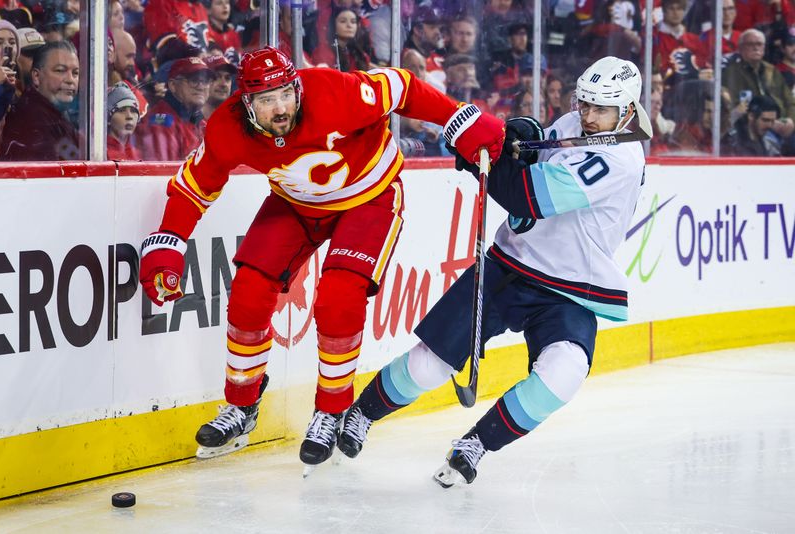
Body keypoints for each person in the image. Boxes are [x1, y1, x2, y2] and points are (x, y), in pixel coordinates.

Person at [137, 46, 505, 467]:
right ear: (246, 104)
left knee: (338, 299)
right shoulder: (228, 128)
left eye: (284, 94)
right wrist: (168, 241)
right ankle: (242, 406)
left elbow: (402, 87)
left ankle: (331, 412)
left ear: (297, 87)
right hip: (296, 204)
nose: (280, 108)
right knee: (249, 291)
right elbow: (193, 187)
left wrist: (460, 119)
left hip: (369, 198)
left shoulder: (335, 91)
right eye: (266, 100)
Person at [335, 56, 649, 488]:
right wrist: (522, 134)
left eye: (601, 110)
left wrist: (483, 158)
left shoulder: (621, 159)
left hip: (570, 288)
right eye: (585, 105)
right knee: (429, 366)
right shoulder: (579, 121)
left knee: (565, 371)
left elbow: (527, 197)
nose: (589, 117)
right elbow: (543, 147)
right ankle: (360, 415)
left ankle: (476, 444)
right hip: (509, 263)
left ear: (628, 110)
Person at [0, 40, 80, 161]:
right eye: (60, 70)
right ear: (36, 76)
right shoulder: (30, 120)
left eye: (75, 73)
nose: (70, 80)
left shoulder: (56, 115)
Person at [134, 56, 214, 161]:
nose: (200, 86)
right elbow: (163, 172)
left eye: (205, 81)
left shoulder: (199, 121)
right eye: (194, 80)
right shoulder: (159, 122)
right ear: (173, 85)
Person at [722, 28, 795, 139]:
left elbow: (790, 101)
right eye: (750, 44)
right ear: (740, 48)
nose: (756, 48)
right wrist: (769, 123)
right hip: (751, 130)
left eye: (759, 44)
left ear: (764, 48)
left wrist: (791, 120)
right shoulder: (731, 73)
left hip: (782, 125)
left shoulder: (771, 70)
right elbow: (732, 109)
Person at [106, 81, 141, 160]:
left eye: (133, 111)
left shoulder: (138, 153)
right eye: (121, 111)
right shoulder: (101, 155)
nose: (129, 116)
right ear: (108, 119)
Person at [202, 54, 236, 120]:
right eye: (216, 77)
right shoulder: (190, 121)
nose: (223, 84)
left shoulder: (236, 123)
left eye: (227, 78)